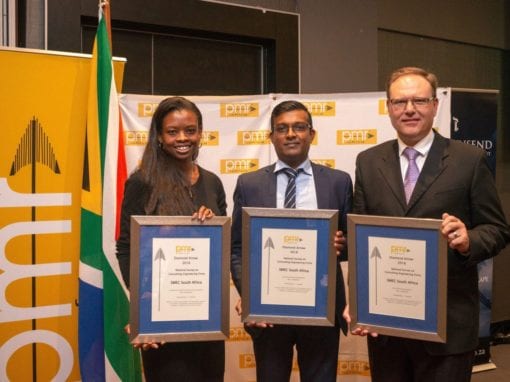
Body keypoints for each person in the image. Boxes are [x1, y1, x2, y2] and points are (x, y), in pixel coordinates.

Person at [349, 66, 510, 381]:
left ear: (435, 106)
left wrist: (468, 240)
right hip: (387, 326)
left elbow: (497, 230)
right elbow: (360, 240)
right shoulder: (368, 162)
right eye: (399, 102)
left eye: (419, 101)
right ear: (388, 108)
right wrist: (359, 303)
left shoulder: (468, 160)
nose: (409, 109)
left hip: (448, 326)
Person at [230, 100, 353, 382]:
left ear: (312, 133)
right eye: (282, 128)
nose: (291, 134)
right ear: (271, 136)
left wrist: (339, 245)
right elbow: (236, 248)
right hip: (268, 312)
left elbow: (352, 246)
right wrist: (248, 294)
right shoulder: (249, 184)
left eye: (299, 127)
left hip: (322, 309)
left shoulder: (338, 182)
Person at [116, 96, 227, 382]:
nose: (182, 138)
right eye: (173, 131)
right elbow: (126, 248)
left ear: (200, 132)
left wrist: (211, 224)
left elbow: (223, 247)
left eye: (190, 130)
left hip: (206, 318)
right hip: (161, 317)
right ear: (160, 136)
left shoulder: (213, 182)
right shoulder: (142, 182)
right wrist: (144, 308)